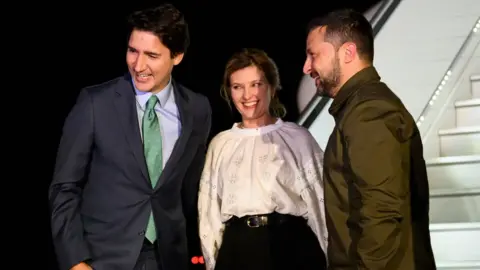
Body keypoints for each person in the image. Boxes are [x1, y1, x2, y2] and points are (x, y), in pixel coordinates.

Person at [49, 4, 211, 270]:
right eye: (133, 51)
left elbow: (190, 191)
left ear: (177, 56)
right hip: (102, 259)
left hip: (169, 259)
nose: (139, 65)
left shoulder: (197, 109)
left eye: (152, 55)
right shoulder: (94, 103)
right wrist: (75, 261)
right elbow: (64, 189)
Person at [303, 9, 437, 270]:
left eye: (313, 54)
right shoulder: (360, 110)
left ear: (348, 52)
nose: (307, 66)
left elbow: (382, 214)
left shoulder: (369, 113)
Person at [198, 48, 328, 270]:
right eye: (238, 87)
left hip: (290, 246)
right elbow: (209, 214)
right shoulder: (221, 144)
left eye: (256, 85)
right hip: (238, 249)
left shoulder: (296, 137)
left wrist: (331, 256)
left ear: (272, 86)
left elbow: (320, 203)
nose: (247, 95)